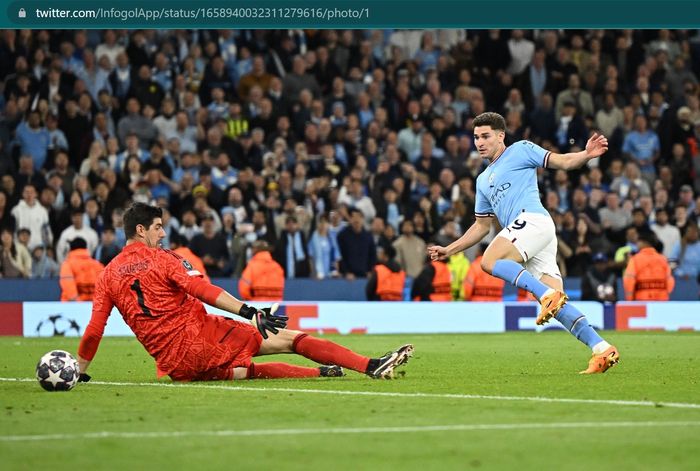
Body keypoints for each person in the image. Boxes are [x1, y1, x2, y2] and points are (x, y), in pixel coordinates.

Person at [77, 203, 413, 383]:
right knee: (289, 338)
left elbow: (94, 330)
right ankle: (371, 365)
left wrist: (79, 369)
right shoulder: (162, 258)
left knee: (242, 372)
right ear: (140, 229)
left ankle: (320, 372)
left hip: (173, 366)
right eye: (157, 227)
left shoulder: (106, 275)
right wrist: (248, 312)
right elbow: (202, 289)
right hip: (202, 338)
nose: (163, 234)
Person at [428, 112, 619, 374]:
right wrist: (449, 249)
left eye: (485, 136)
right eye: (475, 137)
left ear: (500, 136)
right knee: (558, 305)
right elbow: (481, 226)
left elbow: (561, 161)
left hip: (533, 220)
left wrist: (585, 155)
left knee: (490, 261)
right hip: (530, 237)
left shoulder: (521, 150)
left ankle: (545, 295)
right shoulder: (482, 180)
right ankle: (601, 348)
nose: (479, 142)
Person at [623, 232, 675, 301]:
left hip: (641, 301)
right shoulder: (663, 259)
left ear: (644, 242)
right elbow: (670, 281)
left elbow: (629, 280)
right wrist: (664, 294)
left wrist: (630, 300)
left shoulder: (635, 260)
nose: (637, 244)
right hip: (661, 301)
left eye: (638, 241)